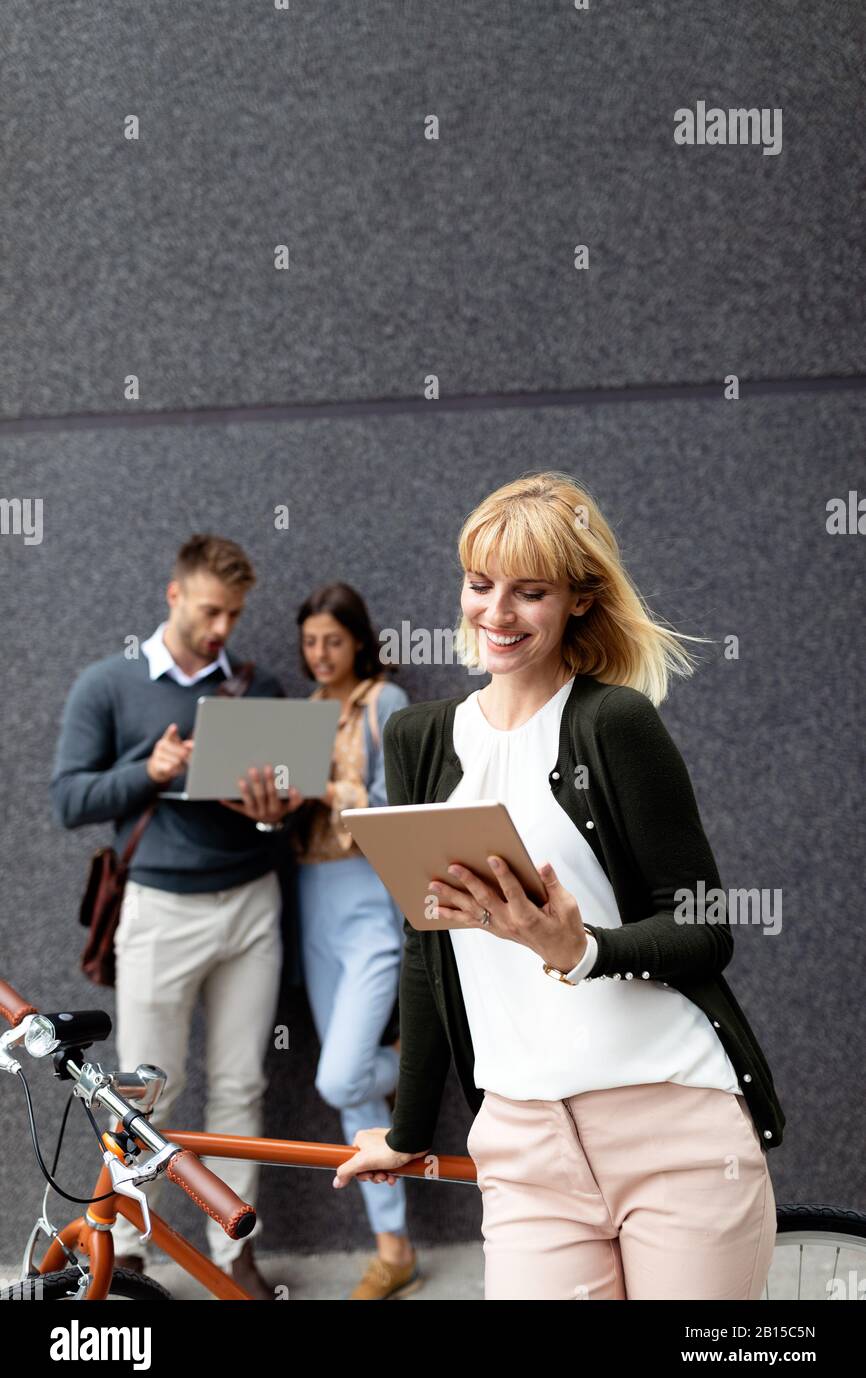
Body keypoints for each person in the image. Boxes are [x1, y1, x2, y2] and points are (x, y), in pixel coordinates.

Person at [333, 471, 786, 1301]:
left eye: (529, 592)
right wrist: (406, 1130)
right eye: (480, 584)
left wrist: (579, 950)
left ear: (580, 598)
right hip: (522, 1142)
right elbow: (426, 944)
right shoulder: (420, 737)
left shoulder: (614, 723)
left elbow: (705, 927)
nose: (496, 614)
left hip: (671, 1126)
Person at [50, 534, 300, 1300]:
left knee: (240, 1086)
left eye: (234, 613)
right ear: (174, 595)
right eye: (210, 609)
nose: (223, 626)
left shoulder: (260, 692)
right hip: (159, 906)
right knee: (146, 1090)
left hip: (252, 904)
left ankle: (235, 1255)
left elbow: (283, 813)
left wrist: (272, 814)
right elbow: (69, 800)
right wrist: (148, 771)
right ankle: (125, 1249)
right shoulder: (109, 685)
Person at [283, 582, 420, 1299]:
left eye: (332, 641)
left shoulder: (383, 702)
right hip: (310, 898)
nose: (319, 655)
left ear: (358, 641)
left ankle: (404, 1068)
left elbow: (402, 806)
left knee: (342, 1075)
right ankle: (394, 1249)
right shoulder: (301, 713)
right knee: (351, 1101)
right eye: (309, 642)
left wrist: (332, 790)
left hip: (369, 895)